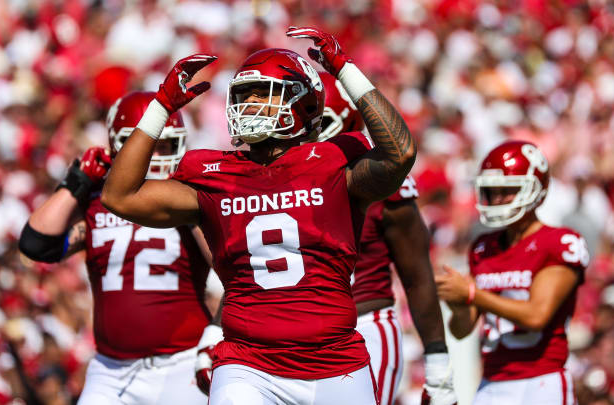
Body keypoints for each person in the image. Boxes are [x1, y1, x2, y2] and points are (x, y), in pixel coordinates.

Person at [101, 26, 416, 405]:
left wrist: (345, 68)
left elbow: (400, 153)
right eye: (242, 96)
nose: (248, 105)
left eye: (262, 94)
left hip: (335, 360)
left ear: (305, 103)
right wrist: (161, 107)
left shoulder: (333, 162)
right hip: (248, 363)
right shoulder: (214, 174)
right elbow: (119, 196)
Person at [18, 91, 215, 405]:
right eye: (147, 145)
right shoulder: (98, 201)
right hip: (111, 370)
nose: (155, 156)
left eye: (164, 145)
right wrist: (77, 182)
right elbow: (37, 243)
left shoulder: (187, 197)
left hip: (181, 364)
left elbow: (230, 269)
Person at [319, 72, 456, 405]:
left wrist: (438, 362)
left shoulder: (376, 179)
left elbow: (418, 275)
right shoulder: (282, 177)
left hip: (363, 328)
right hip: (301, 334)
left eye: (315, 119)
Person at [435, 141, 590, 405]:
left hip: (541, 380)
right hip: (492, 380)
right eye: (492, 191)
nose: (497, 199)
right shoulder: (483, 248)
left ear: (534, 189)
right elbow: (462, 330)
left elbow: (536, 315)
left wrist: (472, 294)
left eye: (507, 190)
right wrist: (459, 303)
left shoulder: (558, 242)